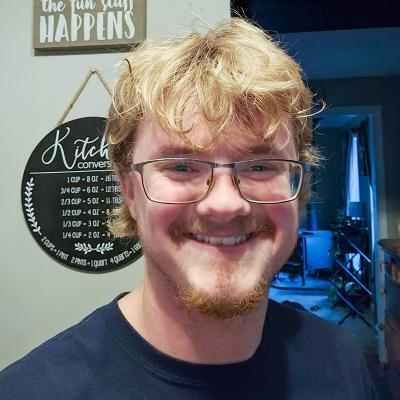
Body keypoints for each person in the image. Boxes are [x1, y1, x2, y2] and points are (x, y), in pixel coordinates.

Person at [0, 18, 378, 399]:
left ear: (299, 188)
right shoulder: (30, 391)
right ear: (129, 190)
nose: (225, 204)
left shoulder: (340, 362)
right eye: (181, 167)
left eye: (261, 166)